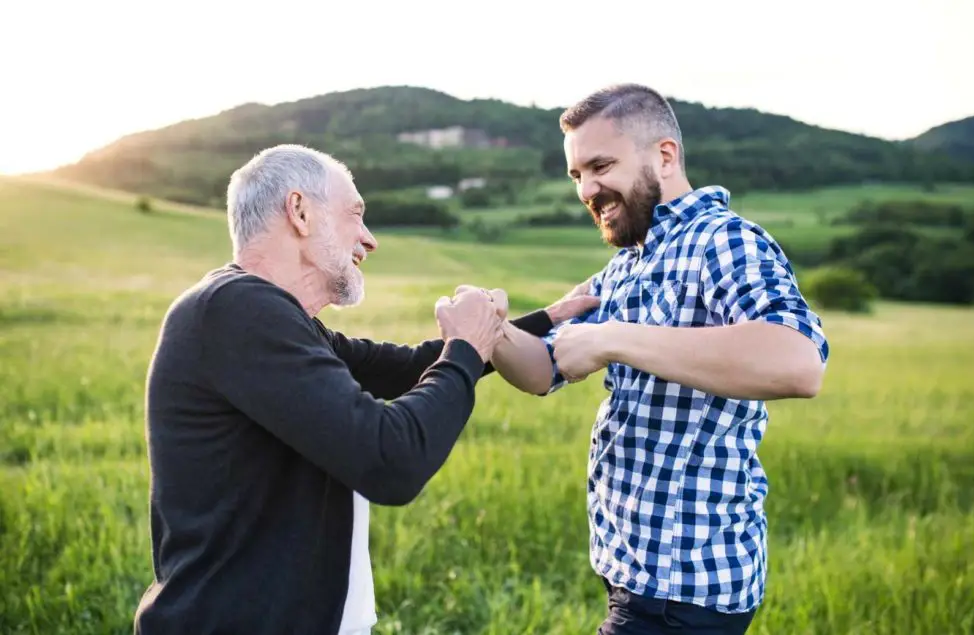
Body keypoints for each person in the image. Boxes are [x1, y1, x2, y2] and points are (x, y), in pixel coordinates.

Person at [133, 144, 598, 635]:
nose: (369, 239)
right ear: (300, 211)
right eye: (356, 214)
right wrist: (465, 346)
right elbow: (391, 459)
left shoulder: (269, 315)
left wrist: (536, 321)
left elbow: (405, 368)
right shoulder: (237, 310)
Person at [487, 84, 831, 634]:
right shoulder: (629, 265)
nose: (588, 189)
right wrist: (490, 329)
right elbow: (543, 369)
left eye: (601, 165)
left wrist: (615, 338)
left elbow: (799, 362)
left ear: (664, 156)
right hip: (635, 576)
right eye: (577, 175)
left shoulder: (725, 241)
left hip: (686, 588)